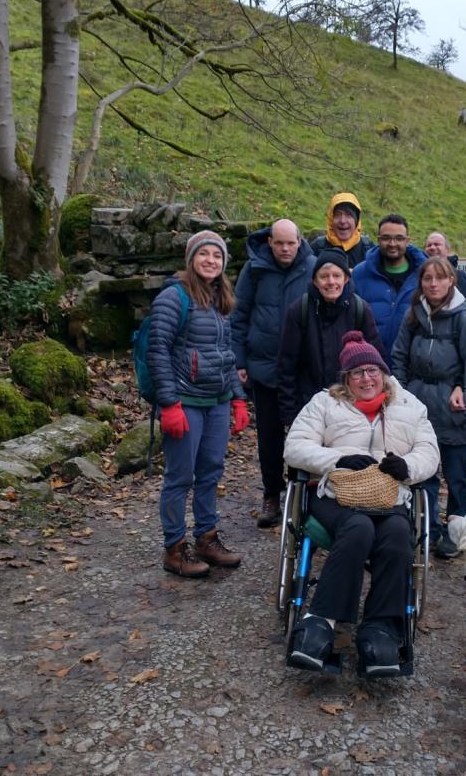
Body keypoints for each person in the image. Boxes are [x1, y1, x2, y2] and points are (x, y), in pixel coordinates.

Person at [283, 331, 440, 676]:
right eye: (357, 373)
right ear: (346, 379)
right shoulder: (324, 403)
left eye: (372, 371)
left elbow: (429, 452)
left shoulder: (409, 405)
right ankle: (320, 621)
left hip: (389, 496)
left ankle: (381, 628)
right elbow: (294, 447)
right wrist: (337, 458)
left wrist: (407, 467)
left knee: (399, 534)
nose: (366, 379)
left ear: (383, 373)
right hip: (336, 496)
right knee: (358, 528)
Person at [147, 231, 252, 578]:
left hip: (217, 400)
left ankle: (207, 538)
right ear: (191, 259)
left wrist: (238, 398)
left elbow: (226, 356)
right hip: (185, 400)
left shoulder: (221, 299)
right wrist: (169, 404)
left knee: (210, 472)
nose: (211, 260)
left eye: (217, 256)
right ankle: (175, 548)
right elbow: (157, 352)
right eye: (204, 254)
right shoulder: (173, 298)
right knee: (180, 477)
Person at [391, 256, 466, 559]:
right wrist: (403, 399)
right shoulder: (414, 317)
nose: (433, 284)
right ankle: (427, 526)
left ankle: (456, 533)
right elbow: (399, 360)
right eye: (427, 278)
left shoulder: (465, 320)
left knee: (457, 476)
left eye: (440, 278)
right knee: (424, 474)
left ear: (451, 281)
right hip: (419, 407)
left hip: (452, 408)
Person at [231, 219, 315, 528]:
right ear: (269, 242)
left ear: (298, 241)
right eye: (279, 243)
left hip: (301, 371)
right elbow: (239, 316)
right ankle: (271, 494)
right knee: (269, 439)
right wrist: (239, 361)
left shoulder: (312, 267)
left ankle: (301, 495)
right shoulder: (254, 270)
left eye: (290, 243)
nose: (284, 249)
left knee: (303, 436)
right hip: (264, 369)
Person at [277, 249, 385, 426]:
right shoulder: (299, 310)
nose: (331, 282)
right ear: (315, 280)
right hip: (309, 403)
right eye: (324, 276)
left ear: (346, 278)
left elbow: (377, 360)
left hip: (352, 404)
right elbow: (286, 366)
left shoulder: (360, 309)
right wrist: (290, 415)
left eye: (336, 275)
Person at [351, 214, 428, 365]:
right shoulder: (360, 274)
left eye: (399, 238)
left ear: (407, 241)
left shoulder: (425, 274)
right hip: (371, 366)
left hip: (413, 367)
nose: (392, 243)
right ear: (378, 240)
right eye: (386, 238)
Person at [310, 193, 374, 268]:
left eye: (349, 215)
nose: (342, 221)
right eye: (337, 214)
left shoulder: (369, 249)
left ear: (356, 221)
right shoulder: (317, 248)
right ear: (331, 219)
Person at [423, 231, 466, 312]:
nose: (432, 247)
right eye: (429, 245)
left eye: (437, 244)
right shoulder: (417, 276)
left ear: (447, 250)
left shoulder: (460, 276)